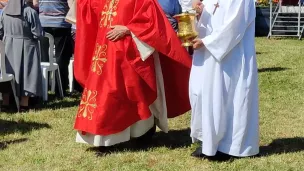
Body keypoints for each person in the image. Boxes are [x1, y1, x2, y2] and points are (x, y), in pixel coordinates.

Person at [74, 0, 191, 147]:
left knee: (134, 93)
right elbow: (90, 8)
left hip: (131, 54)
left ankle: (141, 134)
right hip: (105, 55)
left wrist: (128, 29)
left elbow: (152, 21)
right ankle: (107, 138)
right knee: (108, 94)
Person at [189, 0, 259, 159]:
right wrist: (199, 14)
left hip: (230, 56)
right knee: (202, 93)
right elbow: (210, 19)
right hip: (207, 53)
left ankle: (230, 146)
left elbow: (235, 26)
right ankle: (208, 142)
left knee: (227, 97)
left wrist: (207, 42)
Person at [0, 0, 43, 112]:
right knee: (27, 73)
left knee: (8, 72)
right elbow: (38, 34)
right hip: (27, 47)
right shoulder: (30, 12)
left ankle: (5, 102)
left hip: (8, 47)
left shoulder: (4, 11)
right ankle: (24, 104)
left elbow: (0, 31)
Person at [39, 0, 73, 96]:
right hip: (61, 23)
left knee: (44, 58)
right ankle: (61, 88)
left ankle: (44, 86)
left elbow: (35, 4)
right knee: (62, 58)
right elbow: (71, 5)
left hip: (43, 23)